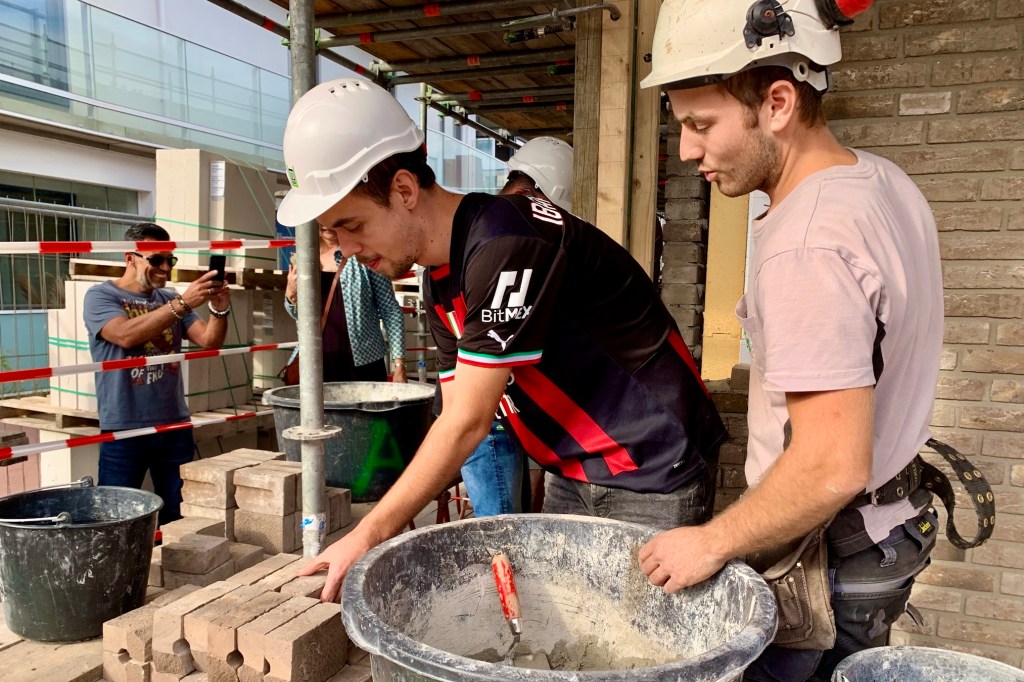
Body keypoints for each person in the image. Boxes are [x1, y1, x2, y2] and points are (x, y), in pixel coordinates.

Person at [279, 77, 726, 602]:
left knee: (634, 648)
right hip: (573, 465)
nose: (347, 249)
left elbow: (467, 424)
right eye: (332, 234)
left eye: (352, 225)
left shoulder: (505, 241)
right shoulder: (438, 276)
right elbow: (457, 415)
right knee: (573, 631)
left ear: (403, 190)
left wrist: (367, 532)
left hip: (651, 465)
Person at [637, 1, 945, 678]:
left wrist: (713, 541)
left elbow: (832, 464)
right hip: (887, 530)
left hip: (831, 556)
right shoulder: (882, 182)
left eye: (700, 125)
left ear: (777, 102)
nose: (688, 151)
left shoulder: (807, 245)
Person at [455, 135, 576, 518]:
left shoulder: (475, 231)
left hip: (489, 407)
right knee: (502, 534)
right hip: (488, 417)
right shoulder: (516, 237)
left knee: (508, 524)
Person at [83, 222, 231, 525]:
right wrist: (184, 303)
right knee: (116, 518)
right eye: (156, 260)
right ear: (130, 258)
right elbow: (124, 335)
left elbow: (209, 340)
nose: (165, 268)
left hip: (173, 426)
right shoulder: (101, 296)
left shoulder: (169, 299)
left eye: (170, 260)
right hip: (125, 427)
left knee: (178, 516)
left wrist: (219, 309)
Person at [283, 224, 407, 383]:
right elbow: (298, 316)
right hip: (315, 360)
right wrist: (290, 297)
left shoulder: (366, 254)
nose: (326, 223)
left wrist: (399, 364)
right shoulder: (304, 258)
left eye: (331, 216)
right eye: (321, 217)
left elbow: (390, 310)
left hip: (363, 363)